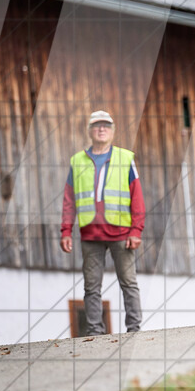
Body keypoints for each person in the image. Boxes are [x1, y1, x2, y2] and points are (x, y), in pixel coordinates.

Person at [60, 110, 146, 334]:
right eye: (97, 125)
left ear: (112, 131)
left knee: (128, 282)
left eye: (106, 125)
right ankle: (95, 332)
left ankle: (134, 329)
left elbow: (137, 196)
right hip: (90, 235)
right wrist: (66, 231)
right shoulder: (77, 161)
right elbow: (69, 200)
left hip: (121, 233)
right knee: (91, 286)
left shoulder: (125, 158)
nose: (101, 129)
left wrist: (136, 230)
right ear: (90, 130)